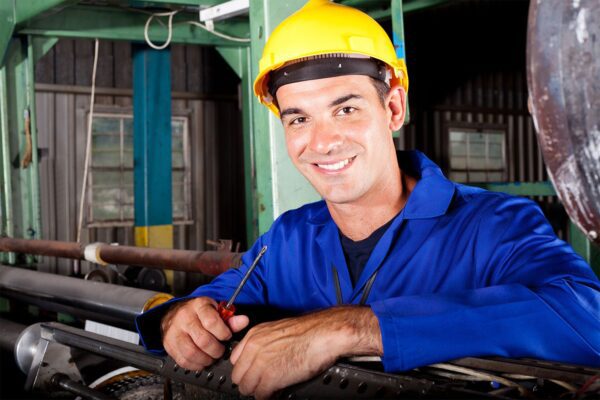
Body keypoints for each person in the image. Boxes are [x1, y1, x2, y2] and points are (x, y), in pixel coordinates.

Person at [136, 0, 600, 398]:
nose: (321, 142)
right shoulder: (289, 238)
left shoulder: (492, 225)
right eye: (298, 119)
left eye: (346, 109)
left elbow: (586, 318)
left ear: (393, 108)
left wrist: (351, 328)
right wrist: (179, 317)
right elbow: (221, 299)